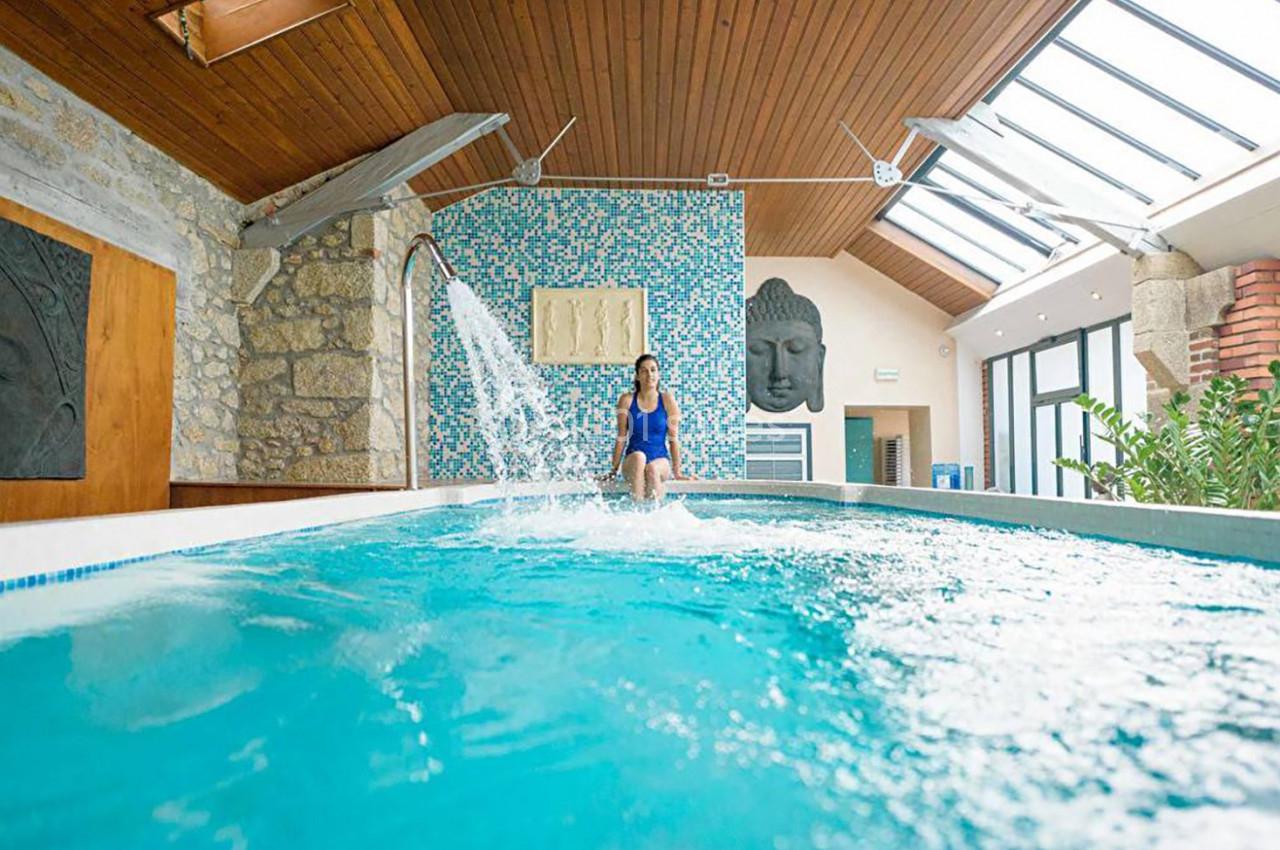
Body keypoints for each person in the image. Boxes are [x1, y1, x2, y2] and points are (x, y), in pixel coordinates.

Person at [603, 353, 695, 500]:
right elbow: (621, 437)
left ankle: (655, 516)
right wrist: (612, 472)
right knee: (640, 458)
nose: (649, 375)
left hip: (660, 462)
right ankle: (638, 511)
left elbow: (673, 440)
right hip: (633, 462)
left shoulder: (667, 400)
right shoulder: (626, 400)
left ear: (658, 374)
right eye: (644, 371)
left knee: (651, 468)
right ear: (637, 376)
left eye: (653, 370)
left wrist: (678, 473)